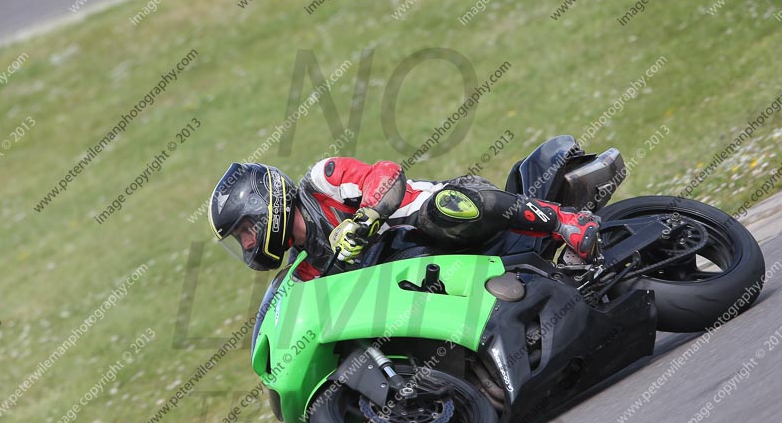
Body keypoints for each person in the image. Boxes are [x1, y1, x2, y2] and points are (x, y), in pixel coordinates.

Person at [207, 158, 600, 281]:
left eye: (244, 231)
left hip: (447, 213)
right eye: (240, 239)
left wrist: (366, 217)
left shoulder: (322, 181)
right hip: (427, 273)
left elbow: (387, 173)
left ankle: (565, 221)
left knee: (445, 210)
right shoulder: (307, 268)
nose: (247, 244)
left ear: (265, 206)